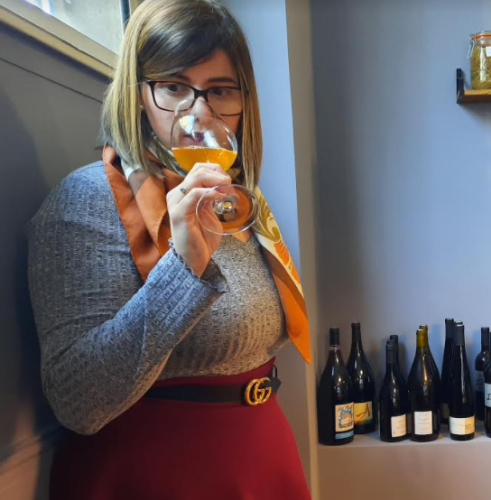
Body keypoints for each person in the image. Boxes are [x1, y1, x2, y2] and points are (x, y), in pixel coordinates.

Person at [27, 1, 312, 498]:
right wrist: (184, 268)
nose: (200, 113)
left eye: (220, 90)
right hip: (158, 475)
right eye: (174, 87)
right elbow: (78, 403)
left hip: (259, 457)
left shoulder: (239, 201)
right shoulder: (87, 199)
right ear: (138, 95)